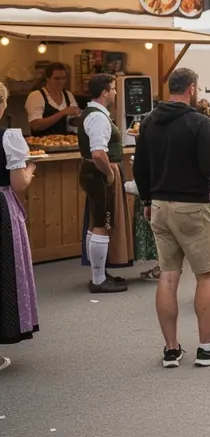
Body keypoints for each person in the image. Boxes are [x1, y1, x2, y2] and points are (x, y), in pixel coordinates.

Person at [134, 68, 210, 368]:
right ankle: (206, 348)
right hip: (192, 205)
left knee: (168, 276)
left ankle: (171, 349)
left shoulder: (149, 121)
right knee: (206, 274)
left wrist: (146, 199)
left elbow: (140, 166)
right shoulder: (198, 121)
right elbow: (209, 163)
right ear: (192, 89)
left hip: (159, 204)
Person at [78, 74, 133, 293]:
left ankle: (98, 275)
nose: (116, 92)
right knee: (103, 223)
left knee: (96, 222)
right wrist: (110, 173)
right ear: (104, 92)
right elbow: (99, 153)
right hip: (100, 172)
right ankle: (99, 280)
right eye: (113, 88)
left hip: (93, 171)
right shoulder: (99, 117)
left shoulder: (93, 113)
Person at [0, 81, 39, 370]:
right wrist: (30, 169)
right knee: (5, 273)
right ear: (2, 105)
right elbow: (18, 183)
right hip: (1, 209)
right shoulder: (9, 137)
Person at [26, 62, 80, 135]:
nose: (61, 82)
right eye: (56, 79)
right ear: (47, 78)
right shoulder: (36, 96)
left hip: (65, 142)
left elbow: (73, 121)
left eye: (63, 78)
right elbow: (35, 125)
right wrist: (62, 113)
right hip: (42, 143)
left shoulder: (68, 95)